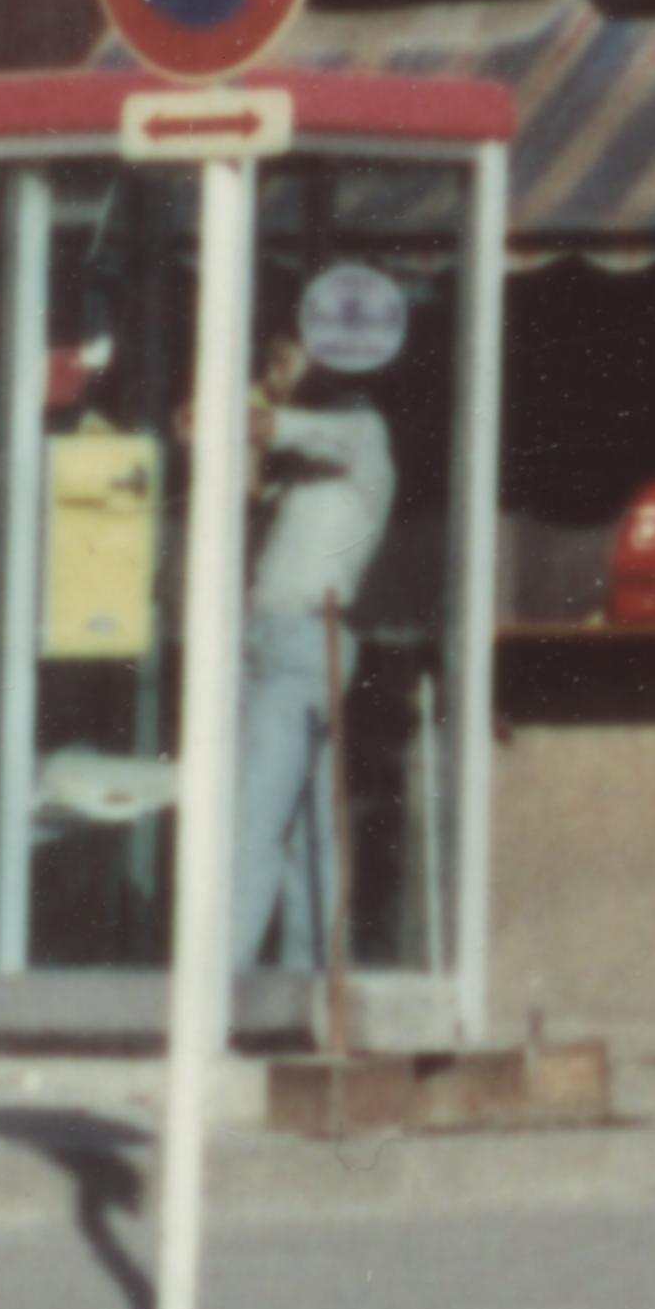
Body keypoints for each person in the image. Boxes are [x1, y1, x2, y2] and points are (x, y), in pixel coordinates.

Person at [230, 265, 404, 976]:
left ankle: (221, 976)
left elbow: (272, 424)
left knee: (254, 816)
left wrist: (241, 415)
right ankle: (309, 981)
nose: (271, 374)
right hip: (271, 637)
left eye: (283, 359)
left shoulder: (359, 431)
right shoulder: (304, 464)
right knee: (306, 832)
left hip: (307, 637)